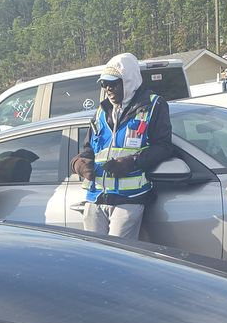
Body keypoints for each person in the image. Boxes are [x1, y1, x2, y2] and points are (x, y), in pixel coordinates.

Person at [72, 53, 173, 241]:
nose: (108, 89)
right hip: (96, 196)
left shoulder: (153, 105)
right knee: (95, 254)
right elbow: (89, 148)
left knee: (117, 254)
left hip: (130, 198)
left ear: (128, 81)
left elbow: (164, 146)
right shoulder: (102, 110)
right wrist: (79, 163)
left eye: (113, 83)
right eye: (104, 84)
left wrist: (131, 162)